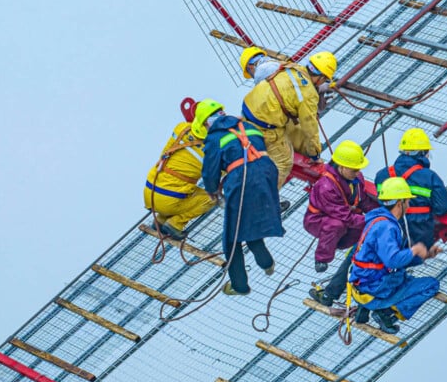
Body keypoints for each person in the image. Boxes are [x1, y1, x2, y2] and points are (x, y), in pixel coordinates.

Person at [201, 100, 284, 296]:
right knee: (248, 222)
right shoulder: (246, 125)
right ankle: (265, 261)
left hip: (242, 179)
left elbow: (210, 171)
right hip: (267, 171)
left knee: (231, 236)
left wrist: (212, 190)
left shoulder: (214, 138)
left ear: (206, 123)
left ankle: (240, 285)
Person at [349, 177, 441, 334]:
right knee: (431, 285)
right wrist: (415, 250)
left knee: (404, 277)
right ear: (400, 203)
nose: (408, 205)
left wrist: (423, 256)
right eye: (407, 201)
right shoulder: (387, 227)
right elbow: (392, 261)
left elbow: (389, 259)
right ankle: (387, 313)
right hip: (374, 287)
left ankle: (366, 307)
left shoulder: (378, 220)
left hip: (363, 281)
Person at [241, 51, 337, 190]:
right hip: (264, 123)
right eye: (325, 80)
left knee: (254, 152)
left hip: (248, 108)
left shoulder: (293, 67)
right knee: (284, 162)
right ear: (321, 77)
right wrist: (315, 154)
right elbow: (310, 127)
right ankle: (261, 199)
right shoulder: (309, 94)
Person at [143, 99, 218, 240]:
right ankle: (176, 224)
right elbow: (221, 175)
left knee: (179, 190)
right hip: (169, 199)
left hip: (150, 191)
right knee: (211, 198)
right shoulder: (212, 151)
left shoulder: (181, 129)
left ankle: (160, 221)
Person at [303, 140, 379, 275]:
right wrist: (372, 219)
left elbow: (362, 200)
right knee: (337, 225)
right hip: (317, 220)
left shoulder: (355, 178)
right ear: (342, 167)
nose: (358, 172)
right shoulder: (326, 187)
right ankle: (322, 258)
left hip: (342, 215)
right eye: (354, 169)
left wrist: (378, 211)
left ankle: (337, 243)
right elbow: (345, 216)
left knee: (361, 226)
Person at [374, 128, 447, 248]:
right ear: (422, 152)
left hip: (387, 230)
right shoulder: (430, 177)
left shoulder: (382, 175)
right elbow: (442, 207)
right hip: (418, 235)